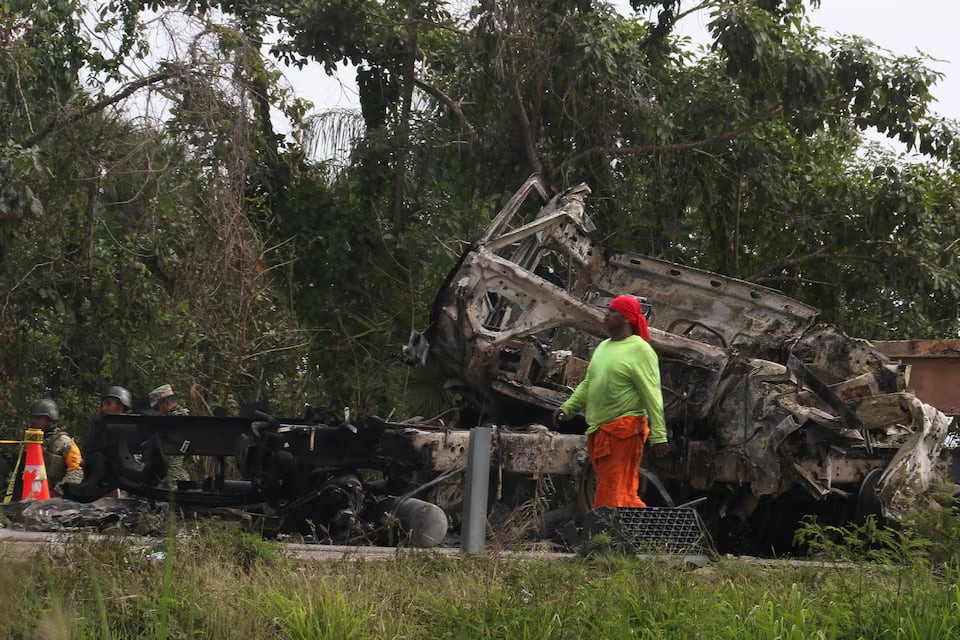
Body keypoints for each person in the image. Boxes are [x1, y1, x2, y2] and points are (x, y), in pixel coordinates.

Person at [553, 295, 668, 508]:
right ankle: (626, 536)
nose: (605, 315)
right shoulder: (604, 346)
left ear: (626, 319)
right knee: (615, 491)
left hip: (624, 430)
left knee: (614, 493)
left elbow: (652, 395)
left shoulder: (641, 350)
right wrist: (568, 407)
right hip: (600, 431)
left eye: (612, 311)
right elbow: (589, 383)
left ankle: (610, 538)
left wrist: (659, 435)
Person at [29, 399, 83, 494]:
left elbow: (76, 471)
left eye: (38, 418)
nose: (33, 421)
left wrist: (58, 492)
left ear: (50, 420)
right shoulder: (29, 441)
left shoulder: (64, 442)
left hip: (55, 498)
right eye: (33, 418)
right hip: (30, 493)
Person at [149, 384, 189, 489]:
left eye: (157, 407)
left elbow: (177, 456)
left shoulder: (176, 420)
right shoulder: (173, 418)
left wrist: (172, 483)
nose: (156, 411)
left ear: (166, 403)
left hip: (176, 463)